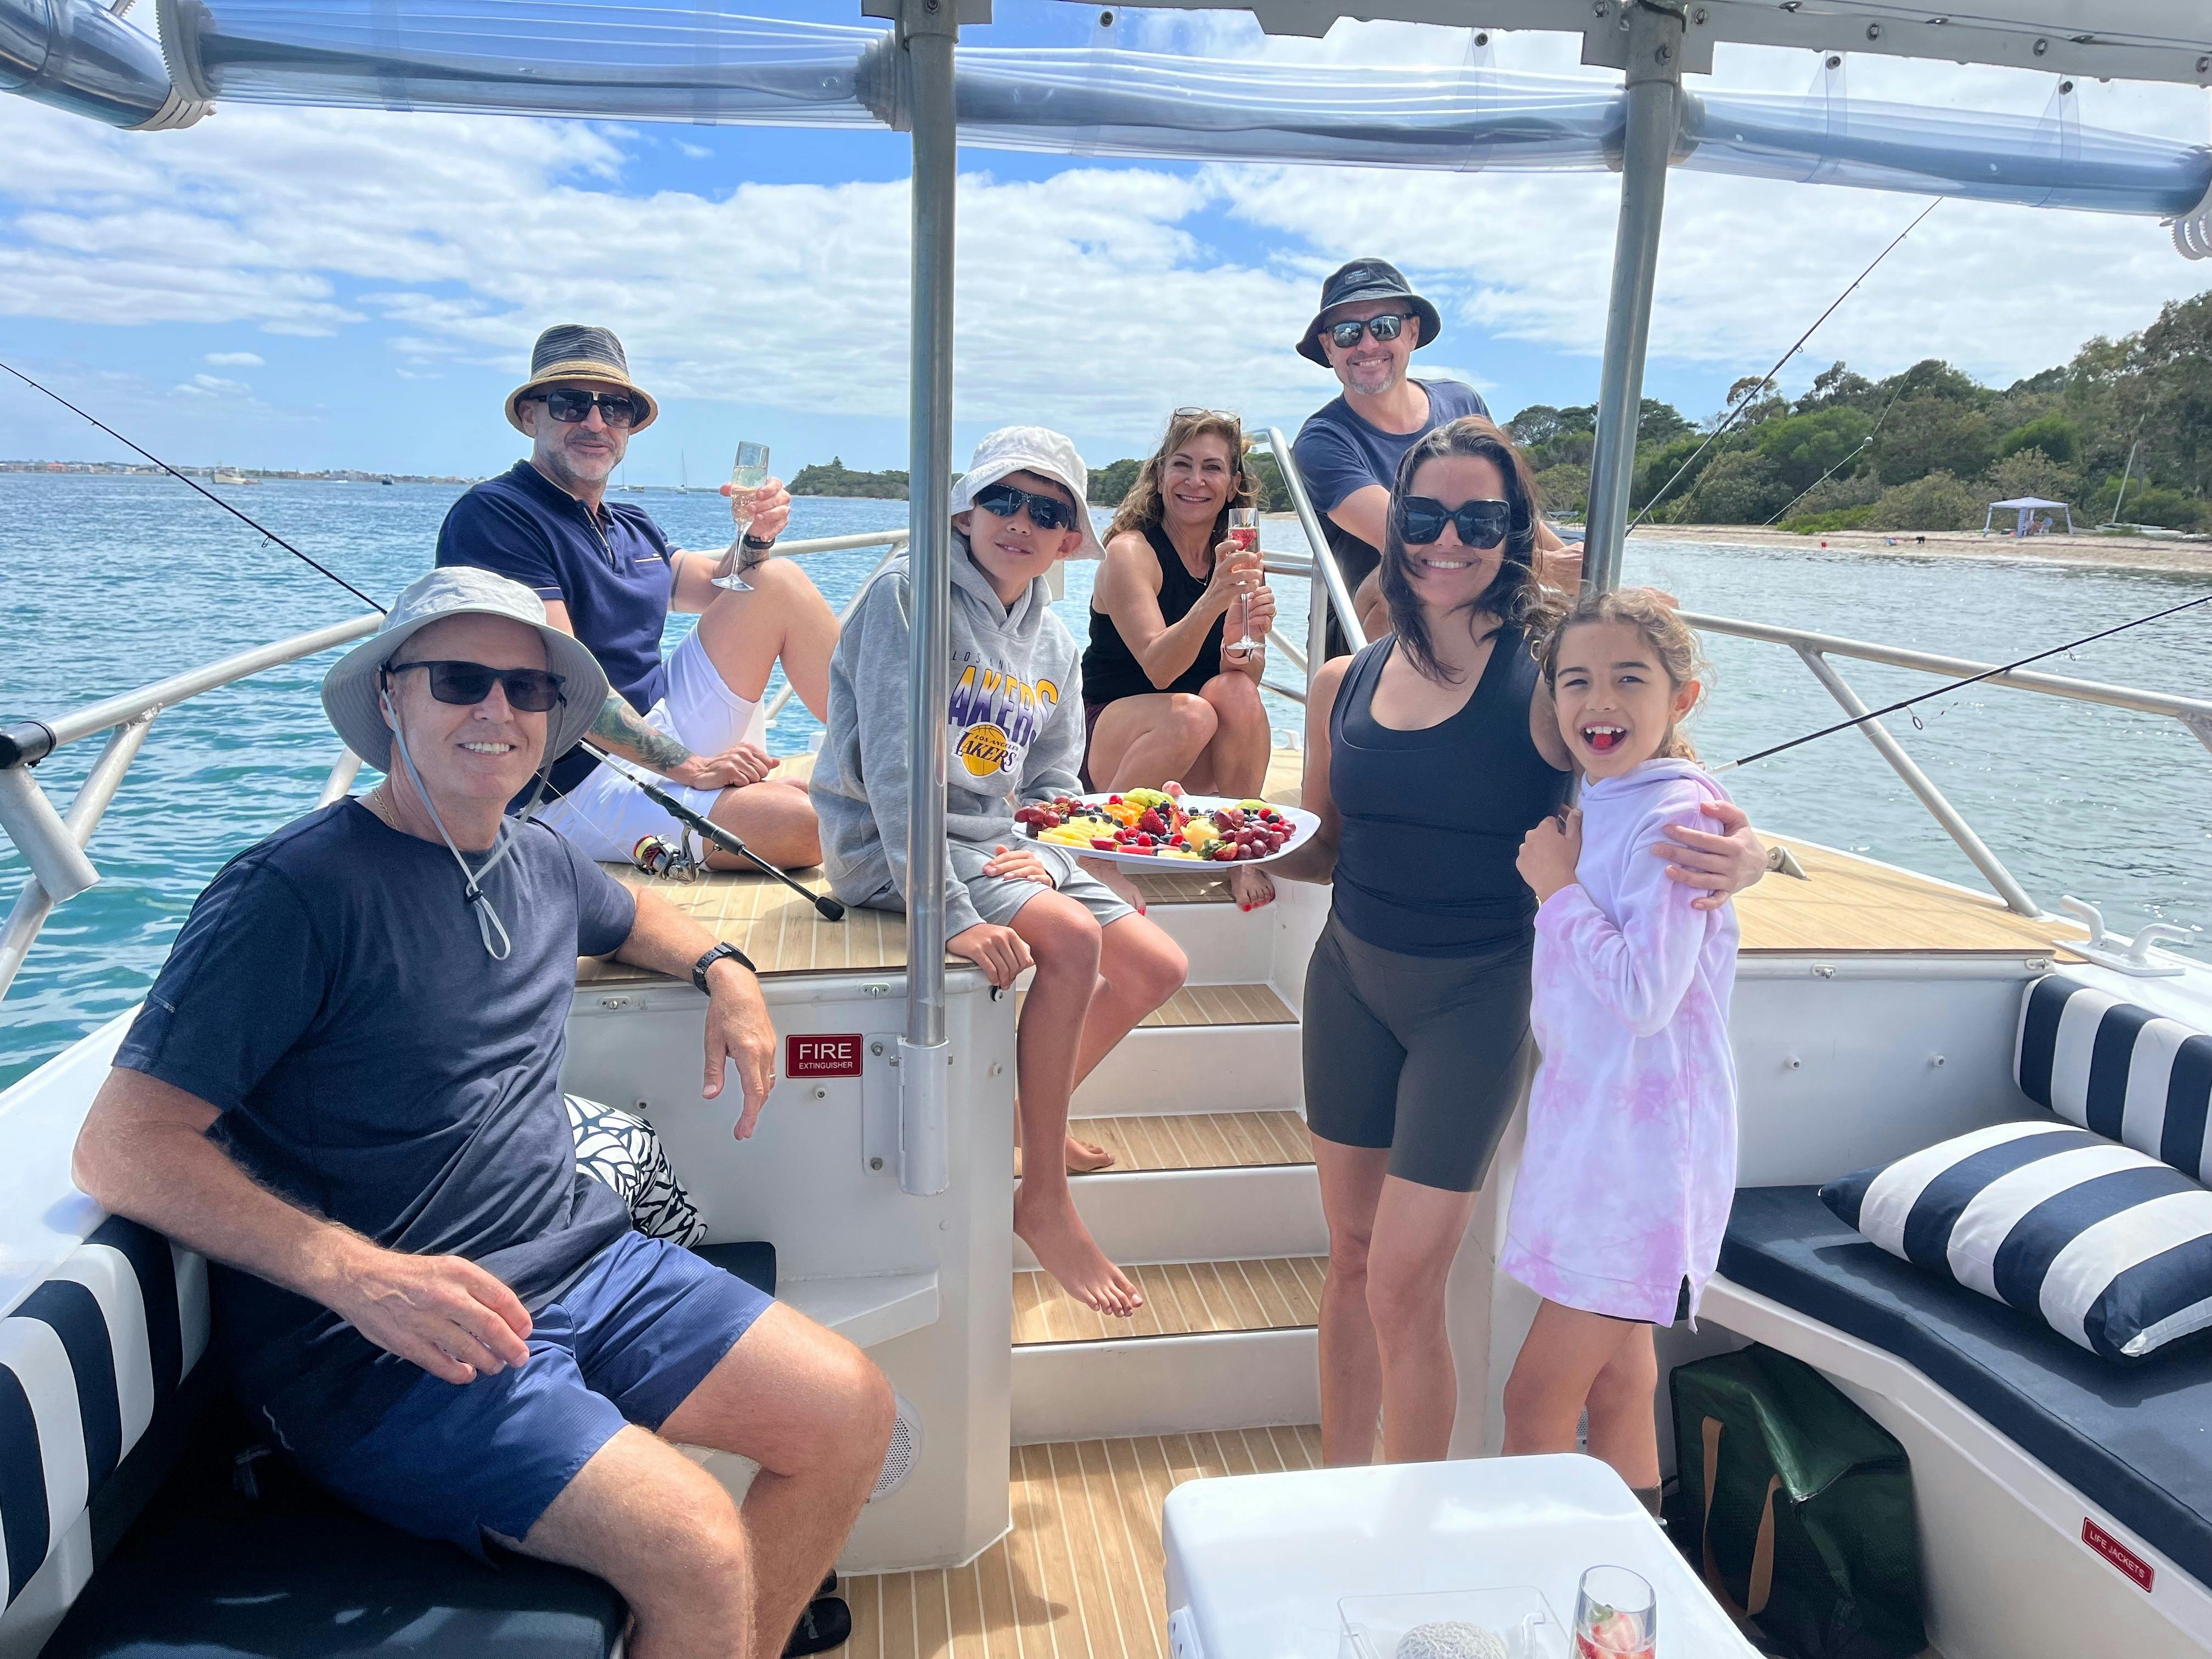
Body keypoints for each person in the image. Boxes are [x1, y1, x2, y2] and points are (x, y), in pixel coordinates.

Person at [71, 569, 893, 1659]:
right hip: (378, 1345)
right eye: (461, 681)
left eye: (526, 689)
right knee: (697, 1545)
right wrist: (354, 1274)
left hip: (580, 1262)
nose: (497, 711)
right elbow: (121, 1147)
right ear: (393, 699)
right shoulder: (293, 894)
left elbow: (633, 910)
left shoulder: (542, 856)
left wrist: (725, 966)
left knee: (849, 1413)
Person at [1269, 415, 1765, 1466]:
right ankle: (1335, 1495)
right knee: (1350, 1257)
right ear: (1393, 523)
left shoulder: (1549, 673)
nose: (1448, 538)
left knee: (1404, 1281)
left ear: (1514, 530)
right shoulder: (1337, 683)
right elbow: (1325, 847)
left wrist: (1754, 851)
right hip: (1348, 978)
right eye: (1424, 513)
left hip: (1477, 995)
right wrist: (1241, 851)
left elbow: (1660, 769)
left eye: (1480, 517)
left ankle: (1407, 1529)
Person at [810, 427, 1189, 1317]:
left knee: (1155, 964)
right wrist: (943, 911)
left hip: (993, 840)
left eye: (1048, 510)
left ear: (1068, 537)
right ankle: (1044, 1194)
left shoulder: (1053, 640)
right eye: (1004, 499)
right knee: (1063, 935)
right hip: (891, 846)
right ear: (968, 508)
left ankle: (1026, 1127)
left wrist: (1055, 852)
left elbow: (1055, 780)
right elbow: (898, 770)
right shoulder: (911, 593)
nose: (1021, 520)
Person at [1502, 589, 1741, 1517]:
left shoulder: (1676, 819)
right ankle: (1631, 1605)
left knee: (1534, 1401)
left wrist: (1556, 890)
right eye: (1576, 680)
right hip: (1596, 1143)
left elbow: (1647, 994)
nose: (1598, 700)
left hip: (1639, 1169)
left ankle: (1534, 1590)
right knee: (1617, 1387)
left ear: (1680, 698)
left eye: (1628, 678)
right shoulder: (1609, 799)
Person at [437, 324, 837, 871]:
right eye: (571, 403)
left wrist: (756, 537)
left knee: (777, 580)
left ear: (629, 426)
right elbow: (565, 681)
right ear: (531, 415)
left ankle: (906, 764)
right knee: (805, 825)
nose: (596, 422)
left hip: (661, 721)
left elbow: (720, 585)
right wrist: (691, 767)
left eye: (615, 408)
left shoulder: (628, 523)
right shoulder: (497, 516)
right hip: (577, 780)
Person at [1290, 259, 1577, 650]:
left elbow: (1516, 510)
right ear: (1329, 347)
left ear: (1412, 331)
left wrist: (1584, 576)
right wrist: (1548, 568)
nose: (1368, 344)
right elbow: (1412, 539)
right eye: (1347, 332)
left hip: (1478, 601)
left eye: (1385, 326)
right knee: (1406, 575)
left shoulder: (1463, 404)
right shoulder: (1323, 441)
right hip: (1363, 627)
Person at [1081, 408, 1279, 913]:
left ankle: (1238, 852)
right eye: (1182, 465)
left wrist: (1245, 637)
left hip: (1190, 750)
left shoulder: (1236, 552)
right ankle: (1097, 858)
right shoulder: (1131, 553)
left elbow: (1244, 679)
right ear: (1161, 474)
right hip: (1113, 740)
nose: (1196, 481)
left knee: (1231, 692)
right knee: (1193, 710)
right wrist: (1214, 598)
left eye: (1212, 468)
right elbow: (1160, 668)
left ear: (1234, 484)